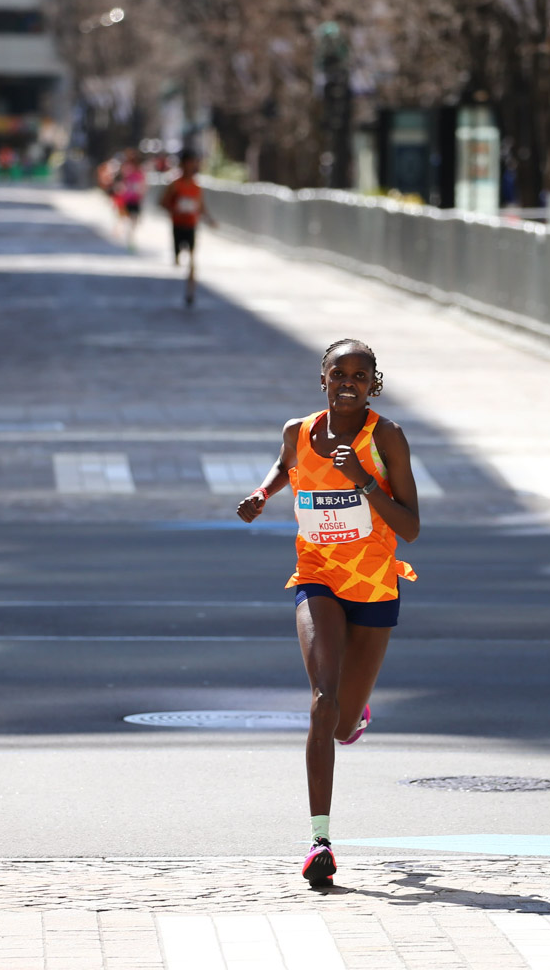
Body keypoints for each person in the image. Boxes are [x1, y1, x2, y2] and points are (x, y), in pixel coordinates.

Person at [236, 339, 421, 885]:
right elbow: (283, 464)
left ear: (373, 383)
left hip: (372, 585)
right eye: (338, 373)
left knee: (341, 720)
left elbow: (410, 527)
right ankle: (321, 841)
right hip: (316, 574)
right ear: (323, 379)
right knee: (321, 699)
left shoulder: (386, 436)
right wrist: (263, 493)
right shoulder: (298, 430)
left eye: (360, 376)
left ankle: (353, 715)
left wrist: (364, 478)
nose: (348, 382)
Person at [158, 151, 217, 306]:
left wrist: (210, 220)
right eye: (189, 163)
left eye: (194, 163)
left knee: (192, 259)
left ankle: (190, 292)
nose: (192, 166)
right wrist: (175, 209)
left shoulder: (197, 186)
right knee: (178, 258)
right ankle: (177, 256)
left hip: (191, 225)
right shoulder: (175, 184)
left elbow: (201, 206)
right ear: (183, 164)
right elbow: (162, 202)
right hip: (177, 224)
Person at [117, 149, 147, 250]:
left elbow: (143, 185)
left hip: (136, 199)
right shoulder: (127, 171)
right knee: (127, 218)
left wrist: (141, 193)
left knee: (134, 220)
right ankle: (128, 236)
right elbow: (123, 183)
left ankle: (131, 236)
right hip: (127, 199)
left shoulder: (140, 172)